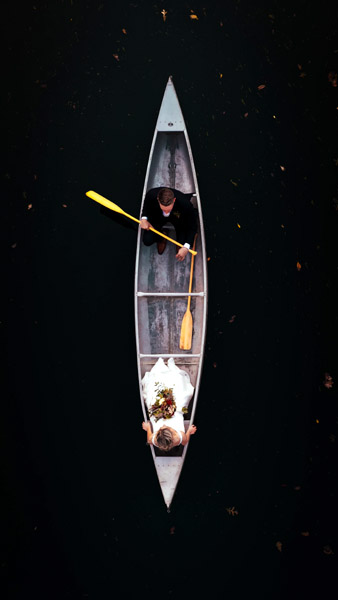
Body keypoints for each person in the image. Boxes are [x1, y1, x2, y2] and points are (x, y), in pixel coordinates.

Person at [141, 357, 197, 451]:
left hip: (156, 416)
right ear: (173, 433)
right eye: (166, 427)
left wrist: (148, 429)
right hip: (176, 413)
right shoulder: (179, 437)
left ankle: (160, 370)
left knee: (153, 396)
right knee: (179, 395)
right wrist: (189, 431)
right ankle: (172, 370)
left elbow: (149, 440)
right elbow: (185, 441)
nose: (163, 425)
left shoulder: (154, 439)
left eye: (160, 429)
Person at [140, 187, 197, 261]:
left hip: (178, 218)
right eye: (164, 209)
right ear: (158, 200)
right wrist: (144, 219)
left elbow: (193, 226)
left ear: (174, 200)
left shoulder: (185, 204)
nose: (166, 213)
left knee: (184, 242)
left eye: (168, 209)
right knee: (147, 240)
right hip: (158, 217)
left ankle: (180, 242)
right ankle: (162, 236)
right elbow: (146, 208)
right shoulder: (151, 195)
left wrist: (186, 247)